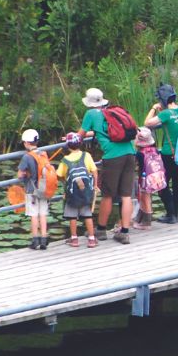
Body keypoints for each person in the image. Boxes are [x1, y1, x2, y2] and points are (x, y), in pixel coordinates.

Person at [78, 87, 136, 245]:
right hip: (130, 153)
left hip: (112, 157)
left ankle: (101, 230)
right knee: (126, 195)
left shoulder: (90, 114)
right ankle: (124, 232)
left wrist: (71, 138)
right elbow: (104, 130)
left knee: (108, 195)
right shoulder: (112, 112)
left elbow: (80, 136)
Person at [143, 84, 178, 224]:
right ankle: (175, 212)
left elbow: (147, 123)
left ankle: (171, 214)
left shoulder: (165, 114)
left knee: (161, 184)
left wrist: (153, 108)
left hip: (169, 154)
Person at [56, 132, 99, 247]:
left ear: (68, 146)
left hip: (72, 193)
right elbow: (94, 171)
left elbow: (59, 174)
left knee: (72, 216)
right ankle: (91, 239)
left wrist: (64, 181)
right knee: (87, 215)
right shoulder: (86, 155)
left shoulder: (65, 160)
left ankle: (74, 239)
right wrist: (95, 185)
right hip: (85, 191)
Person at [16, 128, 51, 250]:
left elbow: (20, 175)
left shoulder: (27, 157)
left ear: (26, 143)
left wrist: (24, 174)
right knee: (43, 214)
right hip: (44, 188)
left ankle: (35, 240)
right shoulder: (43, 153)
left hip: (32, 190)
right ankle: (44, 239)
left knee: (34, 215)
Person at [134, 127, 166, 229]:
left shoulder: (140, 153)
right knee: (146, 197)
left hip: (144, 178)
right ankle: (141, 219)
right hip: (154, 177)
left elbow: (135, 165)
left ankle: (147, 223)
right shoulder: (156, 150)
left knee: (145, 198)